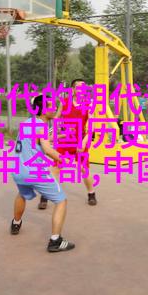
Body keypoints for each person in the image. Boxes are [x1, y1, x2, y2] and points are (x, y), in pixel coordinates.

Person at [11, 95, 75, 253]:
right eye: (52, 106)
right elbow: (47, 149)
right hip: (35, 172)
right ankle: (55, 241)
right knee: (61, 201)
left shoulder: (27, 123)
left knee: (22, 194)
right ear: (44, 110)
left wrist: (62, 135)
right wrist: (64, 160)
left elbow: (40, 139)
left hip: (18, 170)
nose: (55, 109)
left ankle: (16, 223)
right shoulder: (42, 127)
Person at [38, 78, 97, 209]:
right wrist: (54, 132)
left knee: (83, 169)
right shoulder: (64, 102)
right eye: (79, 87)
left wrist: (83, 142)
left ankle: (91, 193)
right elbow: (56, 119)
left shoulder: (89, 104)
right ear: (73, 89)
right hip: (65, 140)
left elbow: (91, 127)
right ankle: (45, 195)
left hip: (80, 140)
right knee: (56, 167)